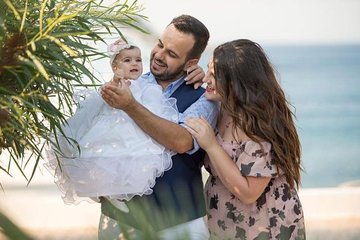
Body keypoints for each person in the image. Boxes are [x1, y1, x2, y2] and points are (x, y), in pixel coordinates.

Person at [99, 15, 218, 239]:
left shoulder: (204, 98)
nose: (159, 56)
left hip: (179, 225)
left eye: (172, 54)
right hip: (120, 222)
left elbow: (182, 141)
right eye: (160, 44)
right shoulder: (130, 84)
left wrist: (130, 106)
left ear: (192, 62)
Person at [186, 39, 306, 239]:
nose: (206, 78)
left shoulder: (259, 125)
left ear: (236, 82)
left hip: (263, 227)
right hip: (227, 223)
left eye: (214, 75)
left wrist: (211, 145)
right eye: (207, 70)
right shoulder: (223, 108)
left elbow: (249, 193)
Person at [45, 39, 179, 204]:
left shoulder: (146, 87)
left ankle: (123, 192)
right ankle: (106, 192)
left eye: (138, 60)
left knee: (132, 159)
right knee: (108, 157)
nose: (134, 63)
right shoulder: (116, 84)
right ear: (115, 68)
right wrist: (116, 80)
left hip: (135, 127)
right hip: (116, 125)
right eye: (127, 60)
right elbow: (108, 98)